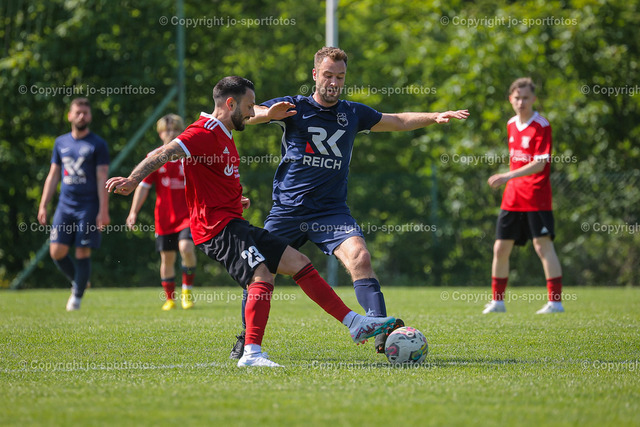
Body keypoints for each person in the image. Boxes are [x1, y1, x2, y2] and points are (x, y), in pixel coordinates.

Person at [106, 76, 397, 367]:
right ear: (230, 103)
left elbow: (213, 179)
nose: (251, 112)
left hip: (232, 221)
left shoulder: (224, 133)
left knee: (298, 262)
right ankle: (251, 353)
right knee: (262, 276)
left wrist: (236, 199)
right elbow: (165, 152)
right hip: (215, 229)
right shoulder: (203, 131)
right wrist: (132, 180)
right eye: (248, 106)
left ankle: (354, 323)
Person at [229, 46, 469, 358]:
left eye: (340, 77)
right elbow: (250, 114)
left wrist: (434, 116)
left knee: (360, 257)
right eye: (327, 75)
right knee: (260, 270)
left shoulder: (353, 113)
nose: (333, 82)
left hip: (331, 211)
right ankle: (246, 339)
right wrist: (268, 114)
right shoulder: (295, 106)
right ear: (315, 75)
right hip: (288, 210)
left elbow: (397, 120)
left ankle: (380, 329)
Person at [483, 77, 564, 314]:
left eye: (526, 98)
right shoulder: (511, 124)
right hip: (513, 196)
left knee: (542, 246)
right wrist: (510, 180)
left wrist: (507, 175)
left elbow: (540, 163)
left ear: (534, 99)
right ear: (510, 99)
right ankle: (497, 302)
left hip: (536, 195)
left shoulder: (542, 125)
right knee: (500, 248)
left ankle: (555, 303)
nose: (521, 102)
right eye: (517, 98)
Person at [38, 97, 110, 311]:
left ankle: (76, 298)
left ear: (90, 116)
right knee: (56, 251)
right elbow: (53, 175)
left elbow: (102, 178)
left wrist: (103, 210)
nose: (81, 116)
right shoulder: (60, 143)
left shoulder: (98, 144)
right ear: (69, 115)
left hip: (88, 206)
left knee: (82, 251)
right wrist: (43, 204)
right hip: (65, 205)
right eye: (77, 112)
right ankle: (80, 281)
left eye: (85, 113)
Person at [126, 114, 197, 311]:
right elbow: (143, 186)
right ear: (160, 133)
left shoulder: (189, 155)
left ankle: (187, 292)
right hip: (164, 218)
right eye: (168, 130)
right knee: (167, 258)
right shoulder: (154, 157)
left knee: (186, 248)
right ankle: (169, 299)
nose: (171, 133)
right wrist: (133, 212)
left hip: (187, 215)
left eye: (176, 130)